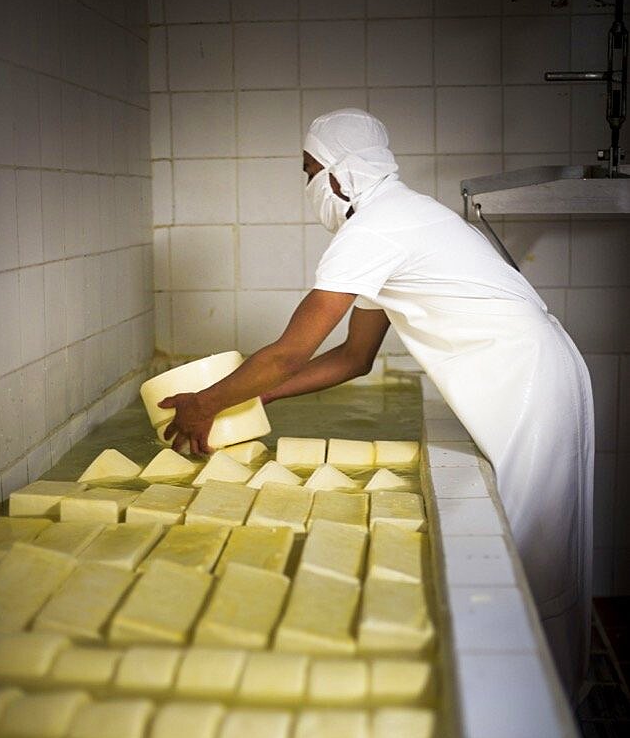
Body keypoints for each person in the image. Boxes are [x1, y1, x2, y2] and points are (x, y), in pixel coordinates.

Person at [159, 108, 594, 701]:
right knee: (533, 546)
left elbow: (291, 351)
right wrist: (249, 399)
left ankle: (533, 719)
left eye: (309, 171)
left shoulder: (376, 230)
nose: (308, 185)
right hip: (530, 372)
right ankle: (541, 700)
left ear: (340, 175)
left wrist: (205, 404)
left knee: (533, 554)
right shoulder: (391, 222)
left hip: (527, 377)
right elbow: (352, 358)